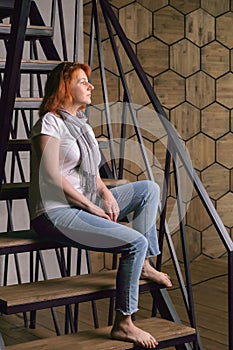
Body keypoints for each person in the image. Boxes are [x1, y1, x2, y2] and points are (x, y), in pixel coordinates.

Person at [29, 61, 172, 349]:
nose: (90, 86)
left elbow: (91, 172)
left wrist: (105, 194)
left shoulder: (81, 126)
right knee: (134, 242)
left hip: (85, 202)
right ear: (64, 87)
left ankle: (143, 265)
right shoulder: (50, 122)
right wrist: (91, 207)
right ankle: (124, 324)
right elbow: (52, 176)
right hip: (56, 212)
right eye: (83, 81)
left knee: (148, 189)